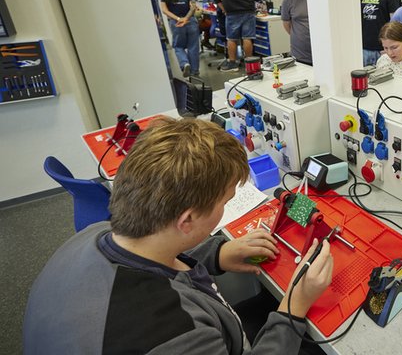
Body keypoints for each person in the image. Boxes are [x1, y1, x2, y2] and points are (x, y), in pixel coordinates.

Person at [23, 117, 333, 354]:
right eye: (225, 201)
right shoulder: (175, 334)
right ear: (187, 219)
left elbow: (151, 263)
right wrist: (294, 306)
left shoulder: (93, 234)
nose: (225, 207)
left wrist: (216, 254)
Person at [211, 0, 262, 72]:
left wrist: (224, 9)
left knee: (232, 39)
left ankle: (232, 63)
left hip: (231, 12)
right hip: (248, 11)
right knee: (247, 38)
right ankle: (249, 63)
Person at [160, 0, 200, 77]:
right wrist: (186, 18)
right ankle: (195, 71)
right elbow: (193, 8)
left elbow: (164, 10)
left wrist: (178, 19)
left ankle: (184, 63)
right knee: (193, 46)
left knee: (178, 46)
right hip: (190, 21)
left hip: (176, 23)